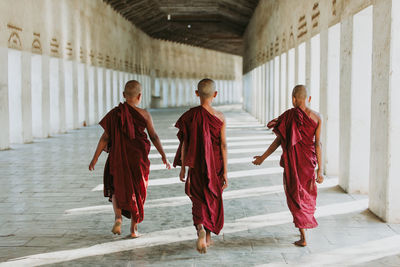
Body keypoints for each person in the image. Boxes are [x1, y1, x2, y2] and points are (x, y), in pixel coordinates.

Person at [89, 80, 171, 238]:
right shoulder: (145, 114)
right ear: (140, 96)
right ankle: (134, 229)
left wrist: (95, 158)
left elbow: (105, 138)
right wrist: (163, 155)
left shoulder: (115, 114)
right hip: (138, 159)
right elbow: (154, 136)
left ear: (123, 95)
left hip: (118, 158)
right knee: (138, 190)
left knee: (116, 187)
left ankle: (118, 218)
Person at [252, 84, 324, 247]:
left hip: (293, 164)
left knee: (294, 194)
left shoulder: (287, 116)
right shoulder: (317, 117)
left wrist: (263, 157)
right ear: (309, 99)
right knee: (307, 193)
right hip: (308, 163)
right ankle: (305, 223)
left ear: (293, 99)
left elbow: (278, 140)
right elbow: (318, 144)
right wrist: (320, 170)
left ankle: (303, 235)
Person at [174, 78, 228, 254]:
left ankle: (201, 229)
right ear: (215, 94)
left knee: (197, 198)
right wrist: (225, 172)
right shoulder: (220, 117)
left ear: (197, 94)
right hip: (216, 164)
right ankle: (209, 237)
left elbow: (184, 143)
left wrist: (183, 167)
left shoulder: (189, 116)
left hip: (196, 164)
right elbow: (223, 145)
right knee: (211, 197)